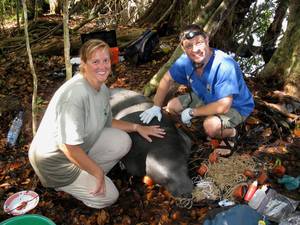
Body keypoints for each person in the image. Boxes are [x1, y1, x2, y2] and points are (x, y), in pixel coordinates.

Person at [28, 39, 165, 209]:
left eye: (105, 60)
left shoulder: (101, 88)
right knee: (109, 196)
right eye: (95, 61)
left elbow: (107, 121)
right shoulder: (75, 95)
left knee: (123, 141)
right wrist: (97, 172)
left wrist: (137, 127)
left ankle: (88, 175)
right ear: (84, 64)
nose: (102, 66)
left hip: (78, 148)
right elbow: (67, 147)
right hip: (56, 164)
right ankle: (67, 185)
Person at [140, 24, 254, 155]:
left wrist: (192, 112)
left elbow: (224, 106)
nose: (195, 50)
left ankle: (232, 133)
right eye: (189, 46)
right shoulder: (185, 61)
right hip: (207, 97)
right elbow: (167, 79)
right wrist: (156, 106)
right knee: (172, 106)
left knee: (211, 127)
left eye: (199, 43)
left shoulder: (224, 65)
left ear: (207, 40)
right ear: (183, 48)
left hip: (236, 106)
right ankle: (200, 123)